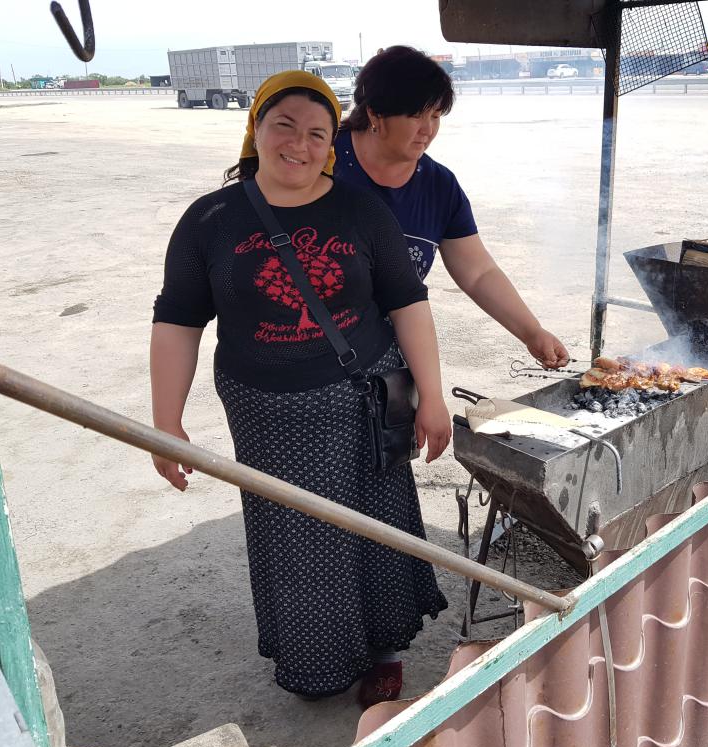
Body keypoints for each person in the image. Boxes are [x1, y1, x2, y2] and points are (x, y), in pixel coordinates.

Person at [149, 71, 450, 707]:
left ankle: (385, 651)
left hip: (368, 397)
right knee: (297, 537)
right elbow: (178, 320)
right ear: (255, 128)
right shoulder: (210, 219)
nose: (300, 143)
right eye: (283, 124)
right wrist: (165, 422)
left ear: (332, 143)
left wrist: (433, 394)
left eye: (318, 132)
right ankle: (317, 657)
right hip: (267, 414)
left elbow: (407, 302)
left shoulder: (361, 210)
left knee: (379, 521)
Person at [334, 45, 571, 369]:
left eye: (435, 116)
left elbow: (477, 272)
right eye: (415, 114)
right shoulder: (322, 161)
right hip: (303, 359)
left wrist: (532, 332)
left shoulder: (439, 187)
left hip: (391, 364)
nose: (427, 130)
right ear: (375, 113)